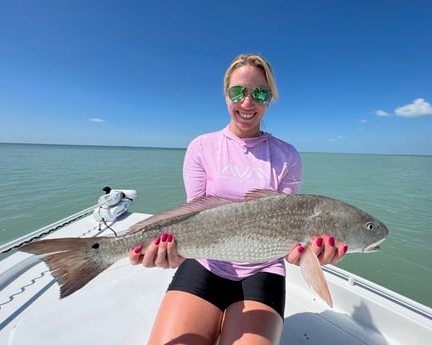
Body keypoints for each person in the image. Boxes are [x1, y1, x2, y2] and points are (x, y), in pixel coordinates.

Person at [129, 53, 348, 345]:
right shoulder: (201, 147)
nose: (247, 102)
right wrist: (175, 252)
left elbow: (286, 228)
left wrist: (304, 255)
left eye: (259, 93)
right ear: (225, 95)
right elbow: (194, 215)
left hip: (262, 270)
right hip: (205, 264)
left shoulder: (287, 156)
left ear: (269, 99)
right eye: (238, 92)